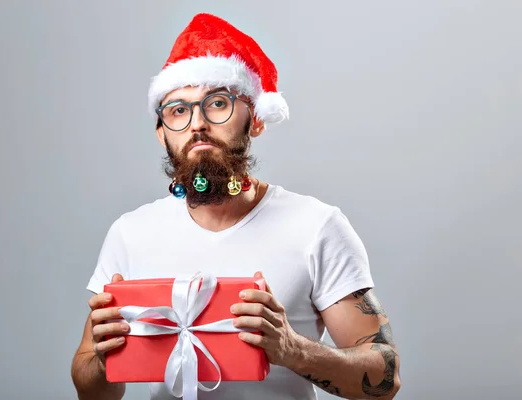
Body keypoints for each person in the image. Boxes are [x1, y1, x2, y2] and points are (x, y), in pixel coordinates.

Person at [71, 12, 401, 400]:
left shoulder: (316, 226)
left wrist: (293, 350)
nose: (197, 123)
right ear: (162, 134)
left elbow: (385, 378)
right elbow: (92, 389)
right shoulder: (130, 233)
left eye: (217, 103)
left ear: (256, 119)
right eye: (178, 109)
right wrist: (103, 361)